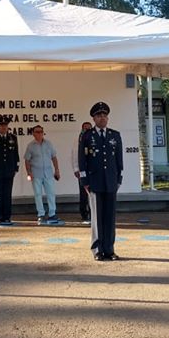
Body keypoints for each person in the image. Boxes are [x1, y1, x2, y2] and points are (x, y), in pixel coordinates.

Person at [78, 101, 123, 261]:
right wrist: (84, 180)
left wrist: (119, 178)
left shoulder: (114, 135)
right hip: (94, 182)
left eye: (104, 115)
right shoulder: (87, 136)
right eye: (99, 115)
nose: (102, 118)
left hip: (111, 181)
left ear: (107, 118)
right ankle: (97, 249)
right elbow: (82, 160)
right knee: (97, 217)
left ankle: (109, 249)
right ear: (94, 118)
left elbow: (119, 160)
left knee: (110, 217)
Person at [24, 125, 61, 224]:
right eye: (37, 132)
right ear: (33, 133)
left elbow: (54, 157)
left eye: (41, 131)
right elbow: (27, 160)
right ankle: (41, 214)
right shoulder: (30, 146)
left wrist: (57, 170)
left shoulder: (48, 144)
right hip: (36, 173)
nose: (39, 133)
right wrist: (29, 173)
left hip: (48, 173)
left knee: (51, 193)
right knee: (38, 194)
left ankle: (52, 213)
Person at [71, 121, 93, 225]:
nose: (87, 130)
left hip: (94, 171)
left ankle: (93, 215)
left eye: (89, 128)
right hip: (82, 171)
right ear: (82, 129)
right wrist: (76, 169)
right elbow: (75, 155)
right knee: (83, 194)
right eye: (85, 128)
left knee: (94, 194)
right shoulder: (78, 140)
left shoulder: (95, 138)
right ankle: (84, 214)